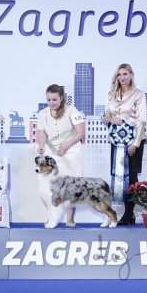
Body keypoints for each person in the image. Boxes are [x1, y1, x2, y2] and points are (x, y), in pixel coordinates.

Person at [35, 84, 86, 227]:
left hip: (71, 151)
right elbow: (42, 134)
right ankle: (51, 217)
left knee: (73, 186)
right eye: (48, 100)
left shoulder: (72, 110)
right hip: (52, 152)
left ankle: (70, 220)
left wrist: (67, 145)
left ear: (61, 98)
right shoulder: (42, 114)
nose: (51, 103)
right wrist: (41, 146)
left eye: (54, 100)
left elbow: (80, 132)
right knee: (48, 187)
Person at [102, 63, 146, 225]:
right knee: (117, 175)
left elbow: (141, 120)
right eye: (119, 74)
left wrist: (135, 143)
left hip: (134, 141)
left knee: (131, 177)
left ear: (131, 75)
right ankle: (124, 214)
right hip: (116, 141)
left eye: (125, 74)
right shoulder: (111, 94)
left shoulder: (139, 94)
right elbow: (105, 116)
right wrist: (110, 120)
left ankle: (129, 214)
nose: (122, 77)